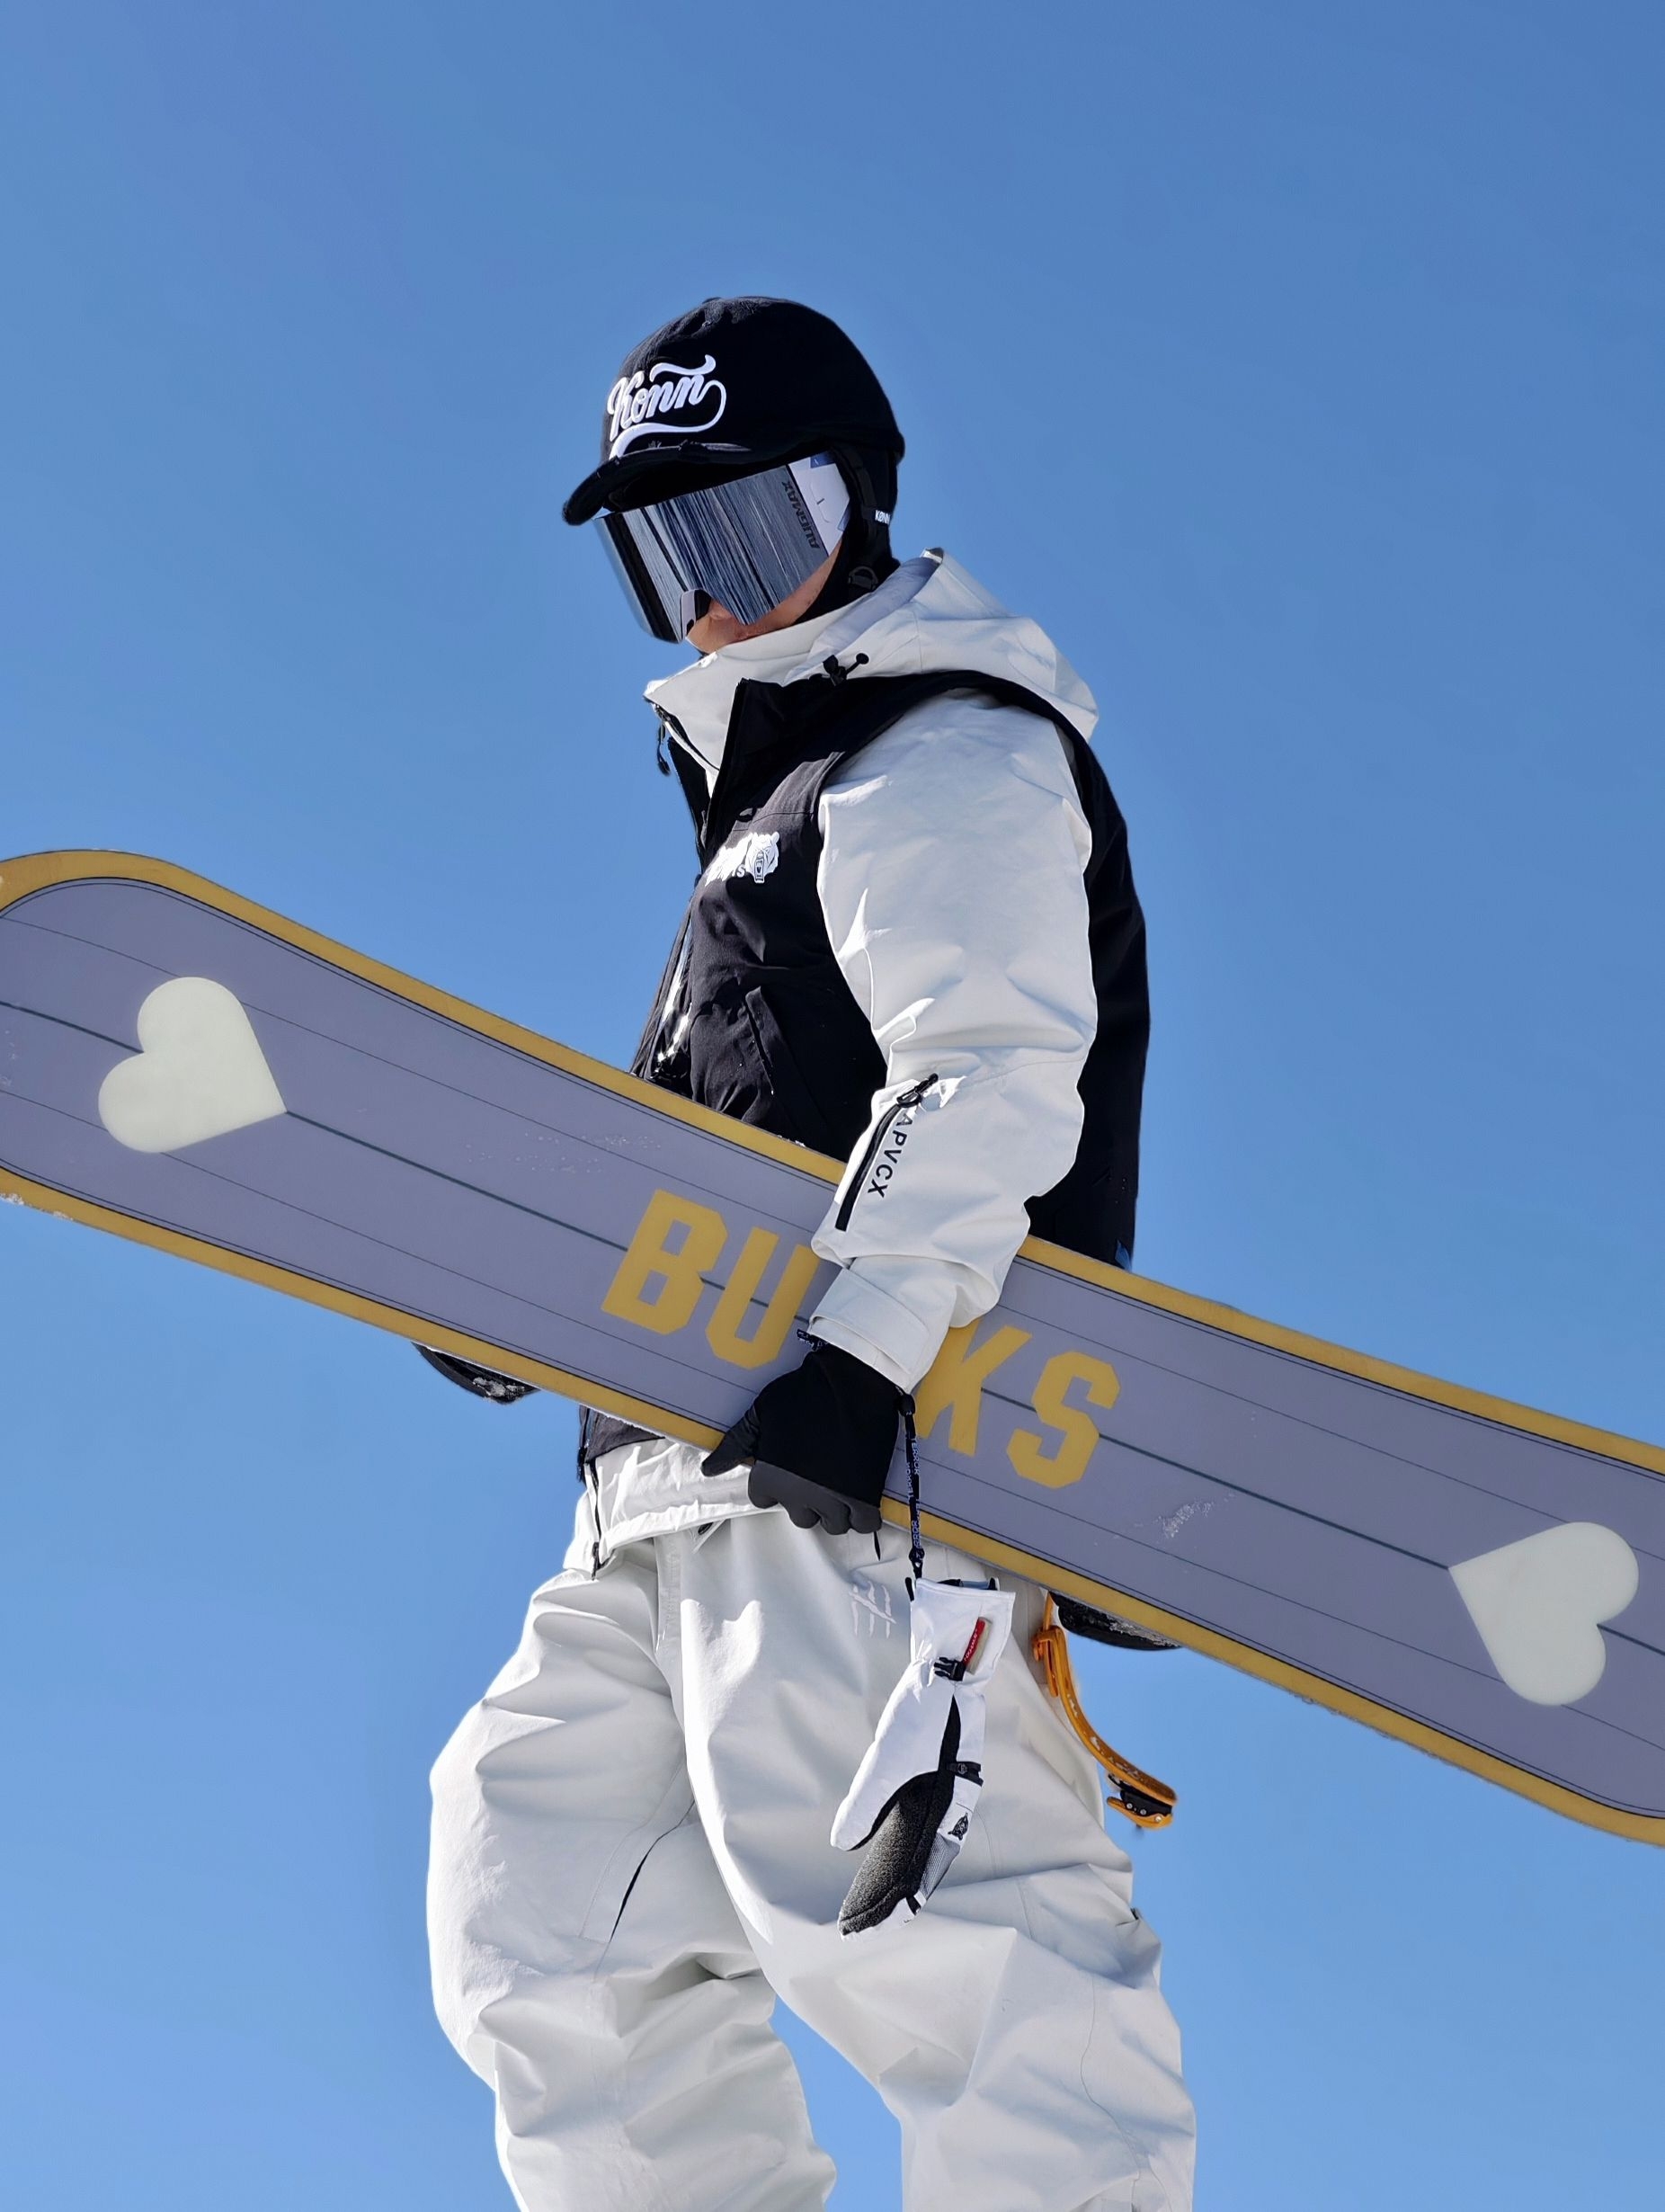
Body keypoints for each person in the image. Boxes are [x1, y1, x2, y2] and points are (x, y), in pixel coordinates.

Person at [425, 296, 1196, 2212]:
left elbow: (989, 1071)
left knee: (954, 1954)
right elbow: (705, 1163)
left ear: (855, 514)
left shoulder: (943, 750)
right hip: (659, 1484)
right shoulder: (756, 826)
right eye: (664, 555)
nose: (707, 602)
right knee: (536, 1914)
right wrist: (526, 1303)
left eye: (745, 533)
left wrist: (859, 1362)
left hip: (875, 1465)